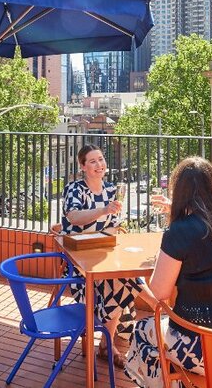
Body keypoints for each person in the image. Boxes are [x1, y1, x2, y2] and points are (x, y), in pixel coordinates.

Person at [124, 156, 212, 387]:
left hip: (203, 348)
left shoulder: (178, 232)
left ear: (179, 191)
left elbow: (159, 294)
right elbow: (205, 244)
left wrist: (136, 279)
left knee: (142, 330)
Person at [60, 144, 150, 369]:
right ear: (83, 166)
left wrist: (111, 226)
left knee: (121, 276)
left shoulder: (111, 190)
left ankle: (106, 343)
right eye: (92, 161)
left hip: (104, 255)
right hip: (79, 264)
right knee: (121, 280)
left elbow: (115, 226)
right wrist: (103, 211)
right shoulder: (75, 189)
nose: (99, 164)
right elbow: (73, 217)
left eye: (101, 159)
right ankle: (108, 344)